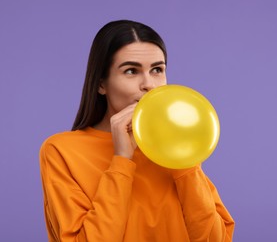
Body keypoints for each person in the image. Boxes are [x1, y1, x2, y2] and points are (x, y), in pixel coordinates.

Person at [39, 20, 235, 242]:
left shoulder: (178, 152)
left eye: (157, 70)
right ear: (101, 83)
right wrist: (122, 159)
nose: (149, 84)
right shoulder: (61, 151)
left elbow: (215, 239)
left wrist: (182, 159)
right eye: (131, 71)